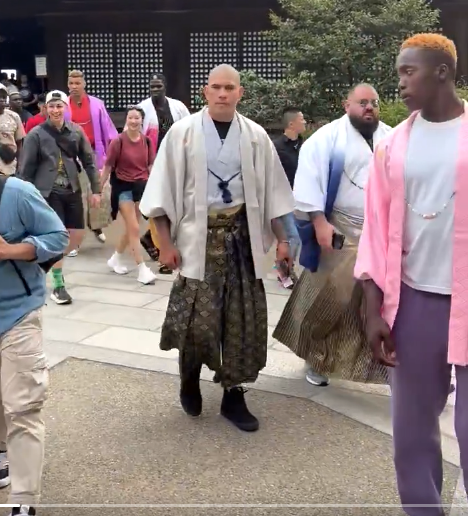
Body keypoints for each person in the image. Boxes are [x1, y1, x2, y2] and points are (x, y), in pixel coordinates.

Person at [139, 64, 294, 432]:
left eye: (230, 88)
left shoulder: (256, 136)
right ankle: (189, 378)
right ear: (205, 92)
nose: (223, 94)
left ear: (240, 92)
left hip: (242, 239)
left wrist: (284, 241)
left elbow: (274, 195)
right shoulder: (182, 134)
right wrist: (165, 244)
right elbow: (160, 195)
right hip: (198, 240)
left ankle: (234, 395)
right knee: (196, 320)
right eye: (216, 88)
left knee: (243, 320)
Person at [355, 33, 468, 516]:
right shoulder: (392, 147)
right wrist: (372, 310)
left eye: (408, 71)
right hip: (414, 302)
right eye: (399, 72)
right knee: (412, 431)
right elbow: (374, 231)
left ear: (442, 72)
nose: (399, 83)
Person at [273, 83, 392, 387]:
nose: (370, 107)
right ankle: (317, 359)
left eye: (374, 102)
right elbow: (308, 181)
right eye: (362, 102)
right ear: (346, 105)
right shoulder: (326, 138)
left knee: (375, 304)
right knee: (330, 299)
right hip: (340, 228)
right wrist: (318, 221)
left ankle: (385, 366)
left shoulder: (391, 137)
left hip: (379, 231)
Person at [0, 174, 69, 516]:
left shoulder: (17, 193)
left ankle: (23, 501)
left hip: (17, 315)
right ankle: (2, 455)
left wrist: (10, 250)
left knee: (23, 407)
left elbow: (58, 237)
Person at [17, 90, 101, 305]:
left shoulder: (76, 131)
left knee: (77, 235)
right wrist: (25, 197)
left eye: (59, 106)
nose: (55, 110)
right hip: (47, 191)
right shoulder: (36, 134)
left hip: (72, 189)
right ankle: (58, 284)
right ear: (45, 108)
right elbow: (26, 169)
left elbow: (89, 162)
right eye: (52, 106)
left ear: (66, 107)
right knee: (58, 236)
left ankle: (43, 264)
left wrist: (96, 190)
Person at [138, 73, 191, 274]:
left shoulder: (178, 107)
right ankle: (163, 253)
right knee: (157, 207)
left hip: (176, 162)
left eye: (158, 85)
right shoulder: (142, 109)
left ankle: (150, 238)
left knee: (174, 206)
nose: (155, 89)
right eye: (152, 86)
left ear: (165, 86)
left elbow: (190, 131)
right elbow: (135, 136)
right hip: (152, 165)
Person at [101, 106, 157, 284]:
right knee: (134, 228)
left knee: (132, 227)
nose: (133, 121)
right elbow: (108, 167)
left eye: (137, 118)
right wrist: (98, 190)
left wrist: (155, 186)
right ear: (126, 120)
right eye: (130, 118)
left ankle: (116, 258)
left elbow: (150, 166)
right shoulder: (118, 141)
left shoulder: (147, 141)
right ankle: (142, 269)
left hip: (141, 187)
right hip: (123, 187)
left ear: (142, 120)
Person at [67, 69, 118, 249]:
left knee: (99, 190)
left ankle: (96, 226)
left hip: (95, 152)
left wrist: (113, 151)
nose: (74, 86)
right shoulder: (64, 105)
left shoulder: (97, 104)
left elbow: (109, 129)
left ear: (84, 84)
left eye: (77, 83)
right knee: (76, 193)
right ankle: (75, 236)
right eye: (71, 83)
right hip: (72, 154)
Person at [272, 107, 306, 289]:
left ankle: (285, 269)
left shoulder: (304, 146)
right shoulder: (276, 147)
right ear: (291, 124)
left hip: (300, 199)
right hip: (282, 199)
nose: (305, 122)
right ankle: (284, 273)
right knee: (292, 236)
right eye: (302, 119)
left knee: (294, 237)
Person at [0, 85, 25, 177]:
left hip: (10, 169)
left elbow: (20, 144)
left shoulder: (14, 116)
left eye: (3, 97)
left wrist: (20, 166)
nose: (1, 99)